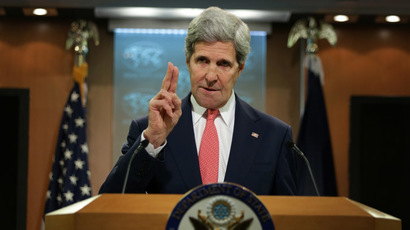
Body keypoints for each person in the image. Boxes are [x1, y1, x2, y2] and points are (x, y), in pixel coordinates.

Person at [99, 6, 299, 195]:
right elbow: (109, 202)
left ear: (240, 68)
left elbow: (290, 216)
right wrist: (153, 140)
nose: (211, 76)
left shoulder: (274, 136)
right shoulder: (149, 130)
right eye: (202, 60)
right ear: (188, 60)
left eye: (223, 64)